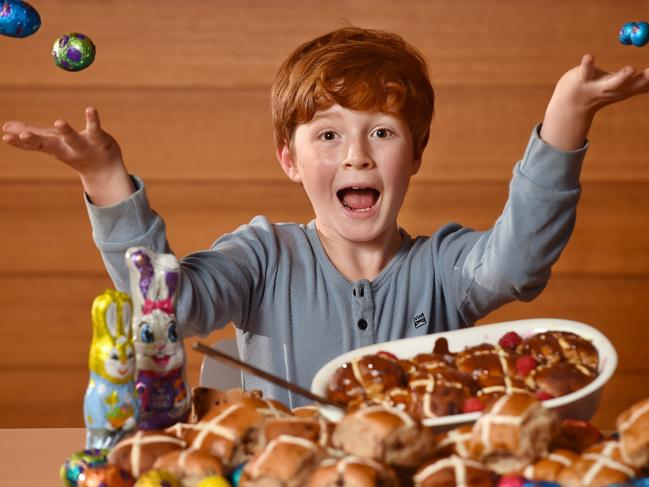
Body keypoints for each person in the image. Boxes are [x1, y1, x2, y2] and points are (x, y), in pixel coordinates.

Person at [3, 27, 649, 408]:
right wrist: (106, 180)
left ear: (416, 152)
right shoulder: (262, 255)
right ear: (289, 157)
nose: (357, 155)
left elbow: (517, 262)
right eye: (329, 136)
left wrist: (565, 120)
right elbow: (166, 311)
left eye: (383, 134)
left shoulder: (446, 267)